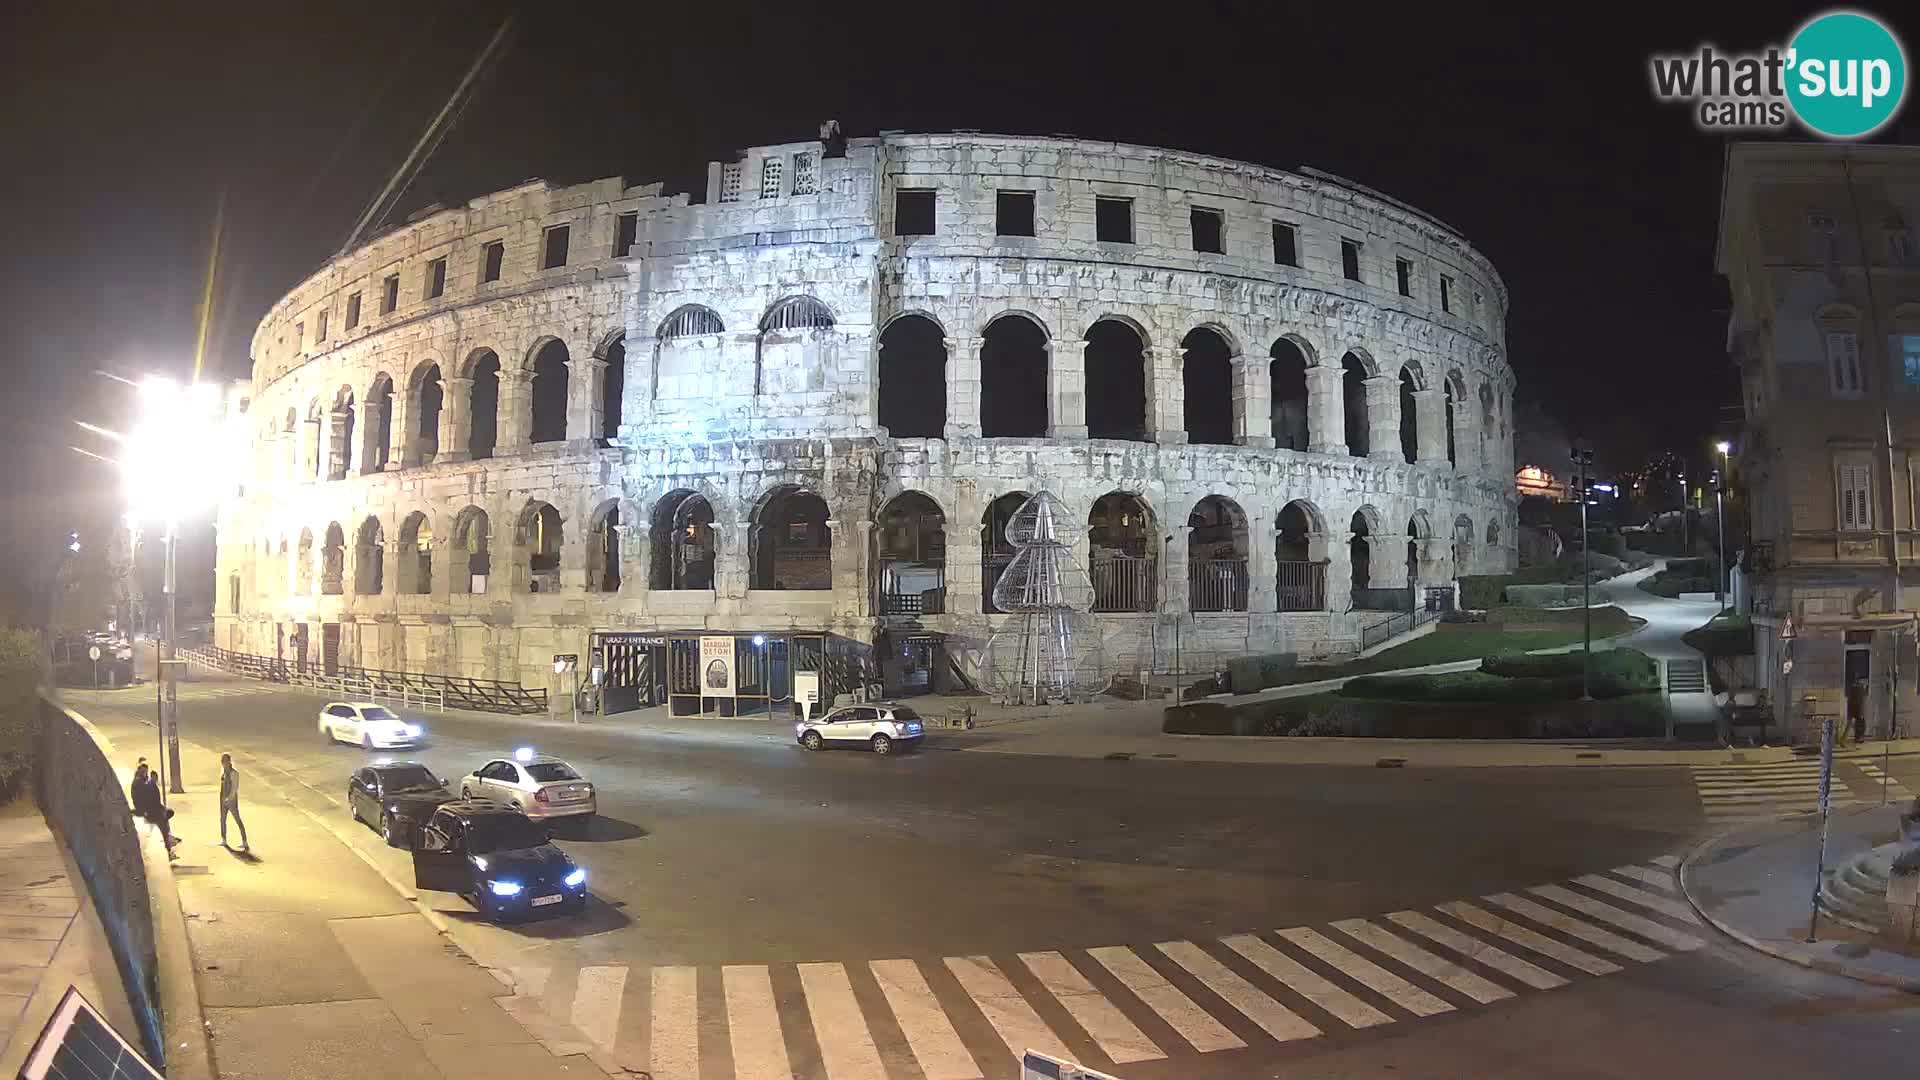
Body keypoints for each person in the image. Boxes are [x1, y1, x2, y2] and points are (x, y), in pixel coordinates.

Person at [129, 760, 177, 857]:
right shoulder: (140, 782)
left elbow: (152, 799)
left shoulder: (142, 781)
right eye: (144, 771)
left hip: (149, 809)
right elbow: (147, 799)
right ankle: (168, 845)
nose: (145, 773)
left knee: (165, 817)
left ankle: (168, 841)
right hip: (146, 810)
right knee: (163, 821)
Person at [218, 753, 248, 852]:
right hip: (223, 800)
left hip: (231, 801)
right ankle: (224, 839)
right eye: (222, 761)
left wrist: (229, 798)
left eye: (224, 761)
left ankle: (244, 841)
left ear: (229, 761)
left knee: (237, 819)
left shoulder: (234, 773)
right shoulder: (224, 773)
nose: (223, 763)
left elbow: (234, 788)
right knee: (222, 819)